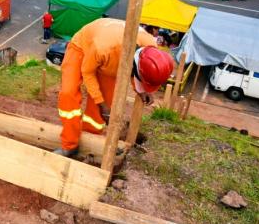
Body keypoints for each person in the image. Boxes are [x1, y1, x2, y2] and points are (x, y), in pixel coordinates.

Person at [56, 18, 174, 157]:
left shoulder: (151, 47)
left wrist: (141, 90)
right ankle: (69, 145)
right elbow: (87, 72)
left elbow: (136, 69)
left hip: (113, 59)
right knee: (68, 94)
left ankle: (90, 140)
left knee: (103, 106)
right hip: (83, 47)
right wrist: (100, 103)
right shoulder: (104, 48)